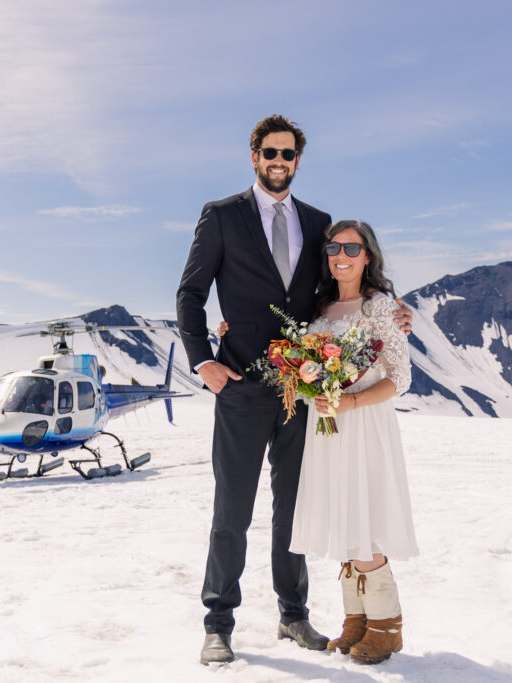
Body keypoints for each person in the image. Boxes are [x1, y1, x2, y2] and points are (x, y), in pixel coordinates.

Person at [176, 115, 411, 665]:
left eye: (288, 155)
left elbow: (332, 293)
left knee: (294, 508)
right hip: (239, 385)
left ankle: (294, 615)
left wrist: (392, 311)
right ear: (254, 156)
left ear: (298, 161)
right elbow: (190, 294)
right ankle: (219, 621)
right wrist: (203, 360)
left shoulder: (319, 222)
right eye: (269, 153)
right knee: (231, 509)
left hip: (304, 392)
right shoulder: (221, 216)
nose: (278, 162)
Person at [288, 219, 418, 665]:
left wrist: (353, 401)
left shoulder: (380, 307)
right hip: (327, 430)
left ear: (368, 257)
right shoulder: (319, 311)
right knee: (344, 516)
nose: (341, 255)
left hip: (363, 426)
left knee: (367, 518)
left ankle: (387, 625)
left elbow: (400, 378)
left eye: (352, 248)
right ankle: (356, 620)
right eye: (333, 248)